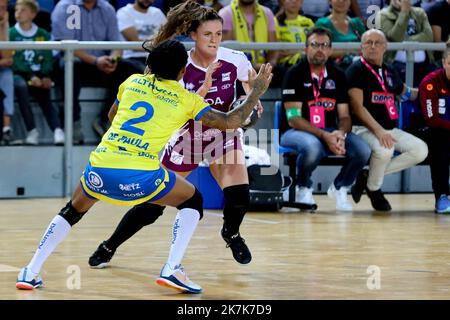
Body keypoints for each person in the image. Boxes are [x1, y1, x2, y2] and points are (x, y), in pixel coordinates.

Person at [15, 39, 273, 293]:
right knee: (193, 200)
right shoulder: (186, 100)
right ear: (183, 71)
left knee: (71, 211)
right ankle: (172, 268)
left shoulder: (131, 82)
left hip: (101, 166)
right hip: (140, 176)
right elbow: (231, 121)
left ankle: (30, 271)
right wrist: (257, 91)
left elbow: (112, 116)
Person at [88, 0, 261, 269]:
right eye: (208, 34)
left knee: (239, 194)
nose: (214, 40)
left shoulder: (235, 59)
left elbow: (249, 88)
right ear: (193, 35)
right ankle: (110, 245)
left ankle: (231, 233)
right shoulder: (177, 66)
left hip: (222, 135)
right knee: (152, 206)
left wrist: (252, 101)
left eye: (219, 34)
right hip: (185, 140)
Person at [280, 27, 371, 211]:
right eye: (314, 44)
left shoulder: (338, 75)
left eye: (324, 45)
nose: (320, 49)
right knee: (312, 146)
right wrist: (325, 136)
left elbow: (344, 116)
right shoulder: (294, 74)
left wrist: (340, 133)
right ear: (306, 48)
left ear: (330, 50)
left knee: (363, 150)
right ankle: (303, 187)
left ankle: (340, 187)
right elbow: (293, 119)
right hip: (295, 131)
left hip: (329, 130)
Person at [347, 29, 428, 211]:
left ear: (386, 47)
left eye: (377, 42)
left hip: (390, 129)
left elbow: (407, 93)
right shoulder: (356, 70)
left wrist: (431, 89)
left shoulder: (390, 70)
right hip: (362, 129)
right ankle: (374, 189)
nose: (373, 46)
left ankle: (368, 176)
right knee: (385, 150)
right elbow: (357, 107)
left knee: (420, 150)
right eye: (368, 42)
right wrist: (378, 131)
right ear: (362, 47)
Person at [51, 0, 142, 143]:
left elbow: (117, 44)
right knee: (68, 66)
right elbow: (66, 46)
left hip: (102, 63)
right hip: (76, 61)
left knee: (131, 69)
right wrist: (95, 61)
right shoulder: (66, 7)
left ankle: (106, 120)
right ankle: (73, 123)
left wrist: (113, 59)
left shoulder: (107, 8)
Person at [10, 0, 64, 145]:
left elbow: (47, 58)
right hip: (20, 74)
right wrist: (31, 76)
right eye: (16, 10)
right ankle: (32, 131)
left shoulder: (43, 34)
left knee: (44, 90)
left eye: (23, 10)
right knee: (21, 86)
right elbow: (14, 60)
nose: (18, 13)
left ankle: (58, 130)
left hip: (39, 74)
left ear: (33, 14)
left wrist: (45, 75)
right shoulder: (11, 34)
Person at [418, 41, 450, 213]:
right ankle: (442, 195)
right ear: (444, 63)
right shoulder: (431, 82)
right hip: (433, 130)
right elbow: (432, 119)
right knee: (440, 143)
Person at [378, 0, 434, 86]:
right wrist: (404, 12)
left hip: (424, 63)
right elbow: (395, 37)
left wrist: (405, 40)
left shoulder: (419, 12)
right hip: (397, 63)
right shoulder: (383, 14)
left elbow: (429, 36)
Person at [218, 0, 278, 72]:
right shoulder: (226, 13)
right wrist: (252, 67)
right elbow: (227, 52)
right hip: (237, 70)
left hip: (265, 68)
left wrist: (269, 66)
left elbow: (274, 48)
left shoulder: (267, 13)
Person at [116, 0, 167, 72]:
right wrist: (159, 43)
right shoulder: (124, 12)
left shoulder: (158, 13)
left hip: (156, 57)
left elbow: (168, 37)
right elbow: (135, 44)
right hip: (132, 58)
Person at [315, 0, 366, 71]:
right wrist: (350, 51)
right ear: (330, 1)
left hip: (359, 66)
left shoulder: (357, 23)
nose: (341, 1)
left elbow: (367, 45)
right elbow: (321, 50)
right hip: (334, 67)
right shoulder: (322, 23)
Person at [273, 0, 314, 86]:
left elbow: (315, 44)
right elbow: (277, 51)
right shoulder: (275, 22)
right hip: (286, 64)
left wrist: (293, 50)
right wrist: (300, 51)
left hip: (308, 60)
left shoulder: (308, 21)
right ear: (283, 2)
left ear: (302, 2)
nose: (294, 2)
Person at [0, 0, 14, 145]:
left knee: (7, 76)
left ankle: (6, 128)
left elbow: (7, 58)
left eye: (3, 8)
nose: (1, 11)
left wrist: (3, 26)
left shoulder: (5, 24)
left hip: (2, 69)